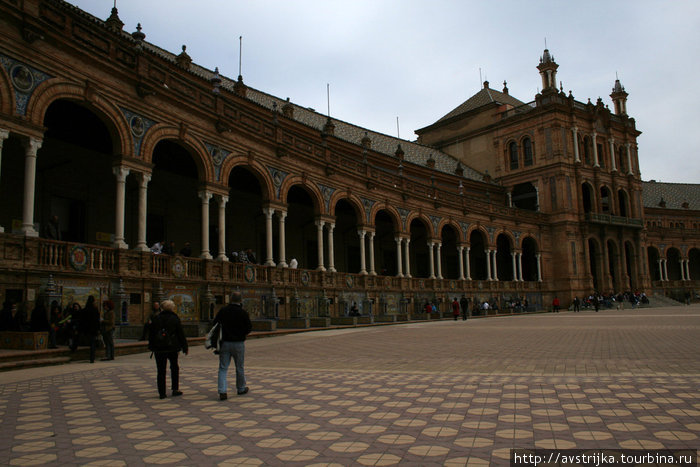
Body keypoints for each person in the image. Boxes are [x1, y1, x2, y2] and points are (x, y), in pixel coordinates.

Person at [213, 291, 252, 400]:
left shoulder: (223, 311)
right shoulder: (243, 312)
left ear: (230, 299)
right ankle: (241, 388)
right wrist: (242, 334)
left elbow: (215, 324)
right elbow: (249, 327)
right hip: (239, 343)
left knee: (223, 367)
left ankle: (222, 390)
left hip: (225, 342)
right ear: (240, 300)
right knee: (239, 367)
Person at [148, 299, 188, 399]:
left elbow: (152, 334)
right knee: (174, 367)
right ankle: (175, 389)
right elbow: (180, 333)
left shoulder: (156, 318)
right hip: (172, 347)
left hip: (159, 348)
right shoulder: (175, 318)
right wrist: (184, 346)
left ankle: (162, 393)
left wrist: (151, 346)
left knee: (161, 370)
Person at [81, 296, 101, 363]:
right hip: (93, 328)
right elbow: (97, 320)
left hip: (87, 328)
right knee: (93, 343)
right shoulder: (95, 310)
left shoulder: (85, 309)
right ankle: (92, 358)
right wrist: (98, 329)